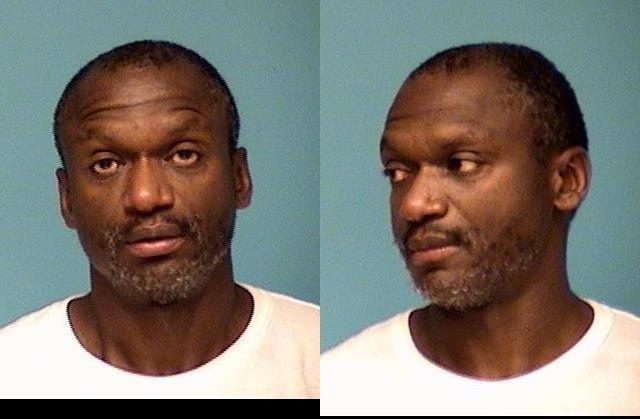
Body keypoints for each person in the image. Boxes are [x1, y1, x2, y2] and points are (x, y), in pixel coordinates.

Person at [321, 43, 640, 414]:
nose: (414, 204)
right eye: (397, 172)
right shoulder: (336, 390)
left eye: (461, 164)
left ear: (566, 181)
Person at [0, 40, 319, 398]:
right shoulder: (10, 375)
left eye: (183, 155)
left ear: (239, 178)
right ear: (67, 198)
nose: (146, 197)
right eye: (106, 164)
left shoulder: (323, 362)